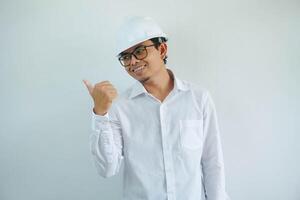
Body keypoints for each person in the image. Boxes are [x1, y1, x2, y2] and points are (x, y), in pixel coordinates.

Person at [83, 16, 230, 200]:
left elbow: (212, 162)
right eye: (126, 57)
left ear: (162, 49)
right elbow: (107, 169)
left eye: (140, 51)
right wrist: (100, 114)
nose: (133, 62)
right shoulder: (120, 107)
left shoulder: (198, 99)